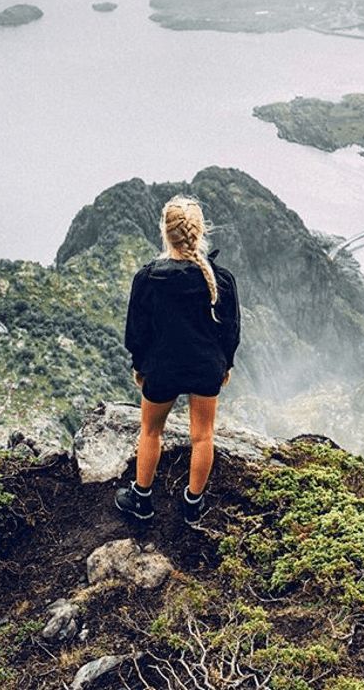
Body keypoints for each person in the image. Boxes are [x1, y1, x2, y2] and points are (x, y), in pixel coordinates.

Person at [116, 194, 241, 526]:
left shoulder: (148, 279)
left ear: (164, 232)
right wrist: (225, 365)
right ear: (200, 232)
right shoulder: (220, 279)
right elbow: (230, 329)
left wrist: (140, 366)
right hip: (205, 366)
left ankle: (141, 499)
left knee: (150, 431)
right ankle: (192, 505)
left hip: (162, 368)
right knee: (202, 436)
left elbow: (136, 332)